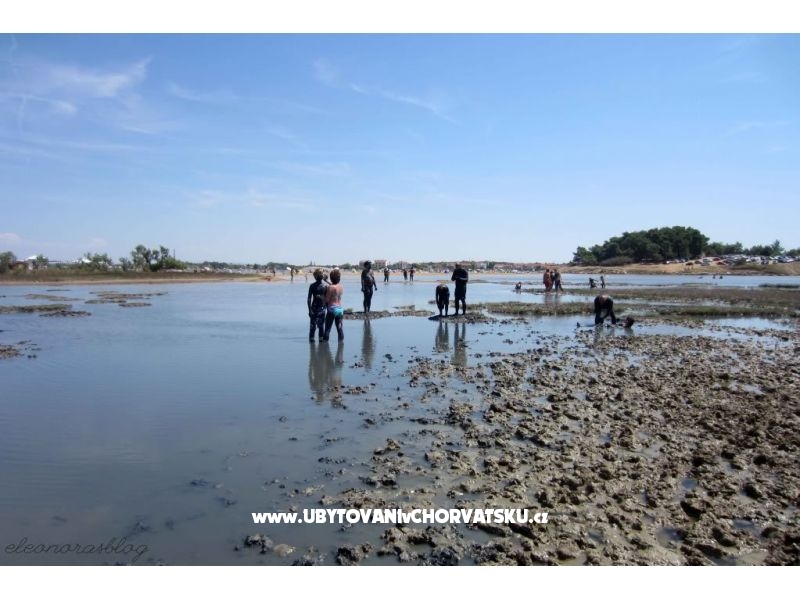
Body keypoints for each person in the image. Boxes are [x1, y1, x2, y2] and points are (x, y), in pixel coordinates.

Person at [307, 268, 328, 342]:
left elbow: (309, 299)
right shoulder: (322, 286)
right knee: (318, 326)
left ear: (315, 276)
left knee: (316, 326)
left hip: (318, 308)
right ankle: (318, 342)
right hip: (318, 308)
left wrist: (310, 310)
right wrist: (310, 310)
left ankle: (314, 343)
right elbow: (309, 299)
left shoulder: (323, 286)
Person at [323, 268, 344, 341]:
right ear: (339, 278)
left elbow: (327, 299)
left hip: (331, 309)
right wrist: (326, 281)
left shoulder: (330, 288)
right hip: (339, 309)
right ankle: (341, 347)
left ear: (331, 278)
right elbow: (334, 286)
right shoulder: (341, 287)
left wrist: (321, 297)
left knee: (327, 329)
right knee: (340, 328)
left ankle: (324, 348)